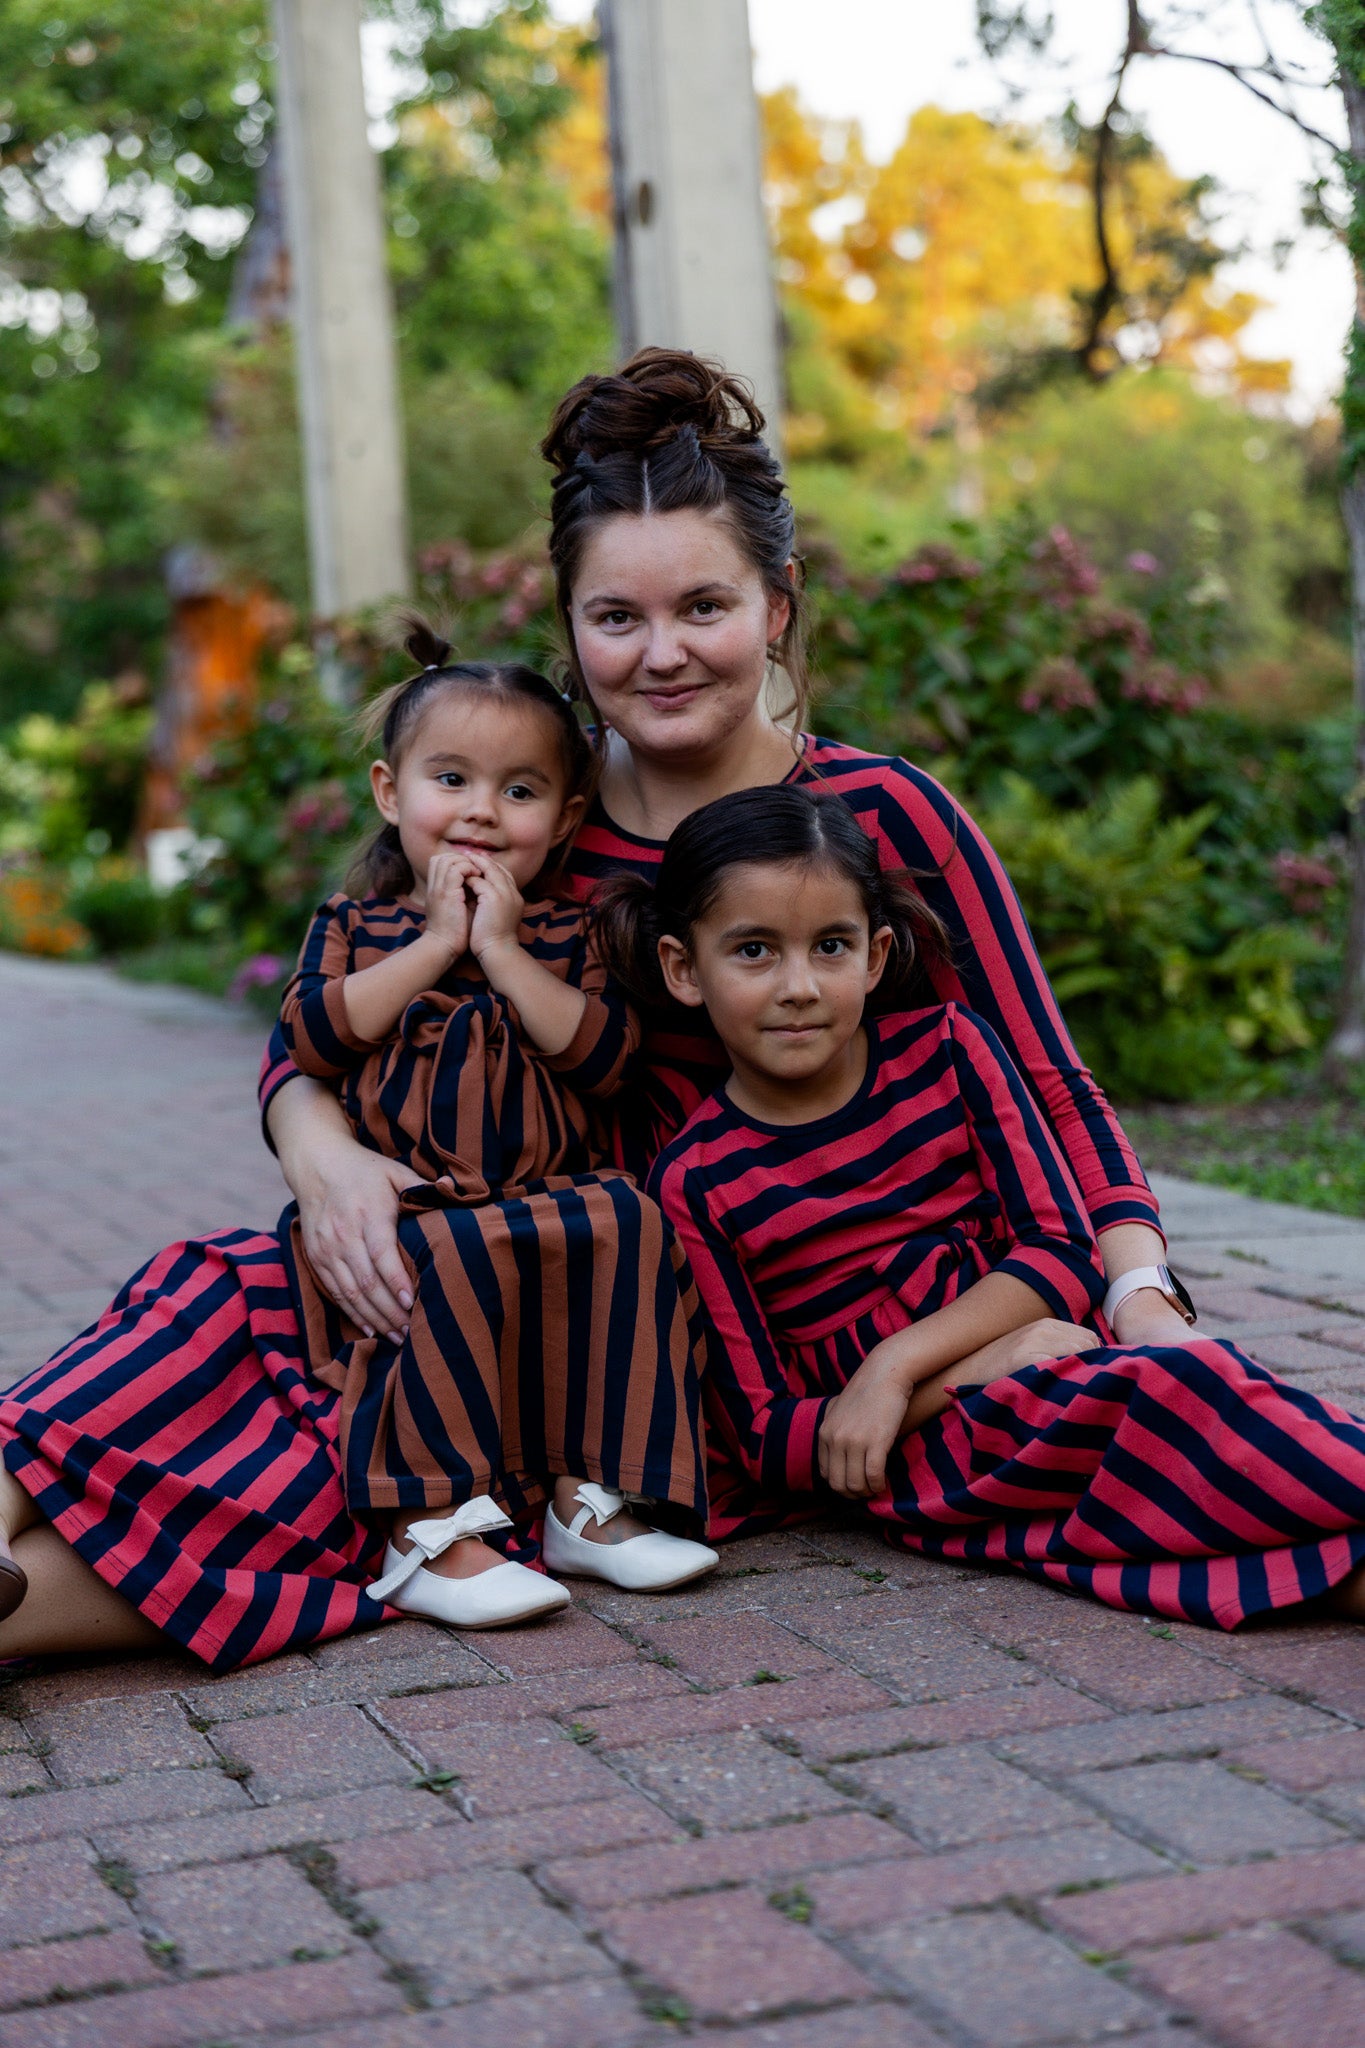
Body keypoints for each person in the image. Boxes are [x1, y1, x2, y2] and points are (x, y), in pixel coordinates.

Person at [3, 343, 1361, 1666]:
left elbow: (1049, 1081)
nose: (662, 654)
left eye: (703, 607)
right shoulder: (531, 824)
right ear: (569, 626)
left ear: (778, 603)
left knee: (339, 1470)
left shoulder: (873, 819)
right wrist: (325, 1157)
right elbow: (333, 1014)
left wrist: (1138, 1290)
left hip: (727, 1341)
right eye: (617, 618)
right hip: (553, 1286)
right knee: (237, 1308)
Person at [600, 784, 1365, 1626]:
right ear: (683, 968)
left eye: (830, 946)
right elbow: (767, 1437)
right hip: (935, 1462)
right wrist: (981, 1363)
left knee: (1202, 1450)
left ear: (876, 954)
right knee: (1183, 1393)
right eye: (753, 951)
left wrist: (894, 1367)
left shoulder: (950, 1049)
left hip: (1064, 1375)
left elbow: (1062, 1251)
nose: (799, 986)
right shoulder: (694, 1182)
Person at [277, 625, 715, 1630]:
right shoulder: (353, 924)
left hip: (547, 1190)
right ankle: (429, 1528)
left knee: (630, 1220)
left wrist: (504, 950)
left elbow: (605, 1057)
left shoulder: (568, 930)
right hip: (416, 1198)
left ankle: (592, 1502)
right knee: (443, 1251)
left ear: (564, 819)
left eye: (519, 790)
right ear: (390, 793)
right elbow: (311, 1035)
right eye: (451, 779)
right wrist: (438, 942)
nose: (481, 809)